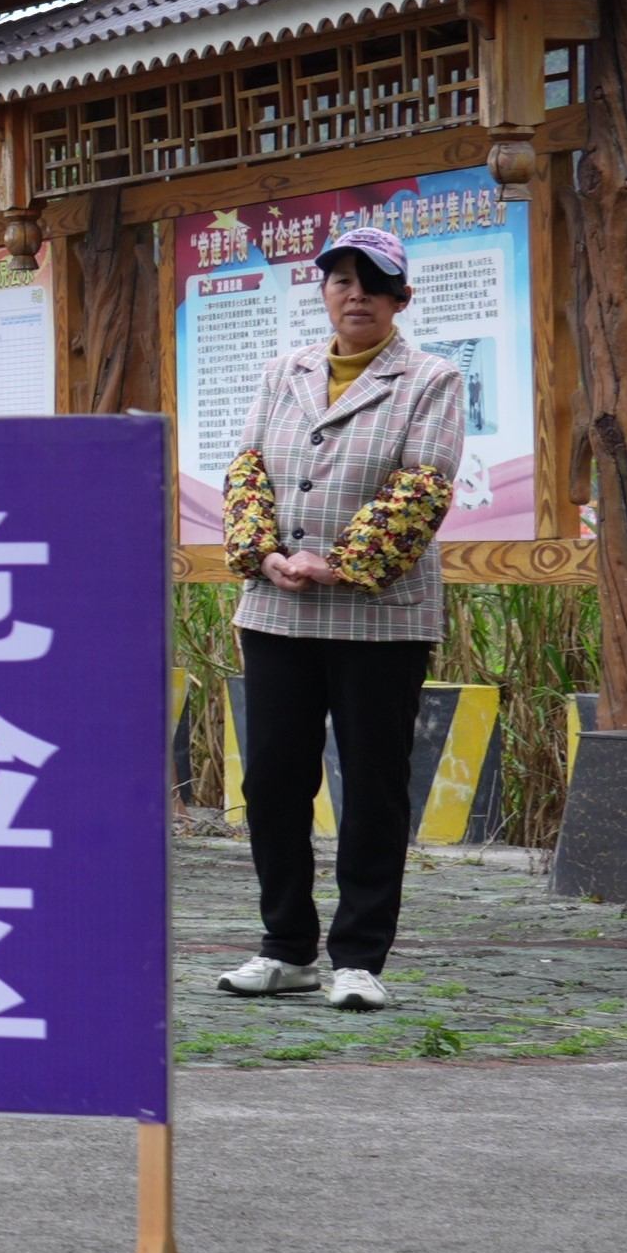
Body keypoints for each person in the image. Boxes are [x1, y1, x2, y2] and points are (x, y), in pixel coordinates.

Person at [214, 224, 467, 1014]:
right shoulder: (282, 370)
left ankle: (358, 958)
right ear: (323, 292)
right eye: (339, 280)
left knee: (374, 785)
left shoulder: (431, 378)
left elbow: (424, 483)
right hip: (277, 607)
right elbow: (247, 466)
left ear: (400, 298)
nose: (353, 293)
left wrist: (342, 560)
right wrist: (263, 551)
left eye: (371, 282)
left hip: (379, 617)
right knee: (274, 779)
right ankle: (285, 948)